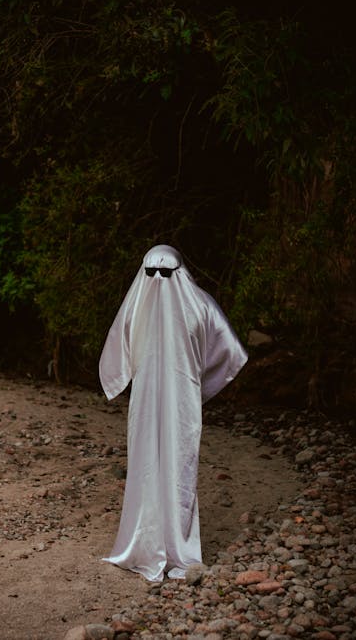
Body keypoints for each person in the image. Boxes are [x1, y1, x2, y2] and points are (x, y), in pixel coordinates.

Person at [99, 244, 247, 582]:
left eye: (165, 273)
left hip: (181, 405)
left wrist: (198, 383)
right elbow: (230, 353)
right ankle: (144, 540)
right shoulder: (139, 306)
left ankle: (176, 543)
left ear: (178, 273)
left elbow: (228, 351)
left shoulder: (197, 305)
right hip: (147, 404)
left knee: (179, 465)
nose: (157, 281)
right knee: (146, 464)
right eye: (151, 273)